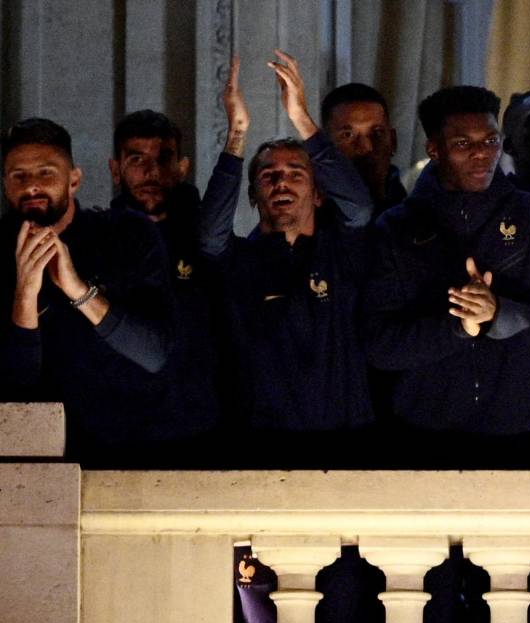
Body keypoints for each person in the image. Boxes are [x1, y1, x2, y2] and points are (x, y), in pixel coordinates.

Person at [364, 84, 530, 464]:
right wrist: (458, 327)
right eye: (463, 143)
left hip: (519, 433)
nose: (481, 154)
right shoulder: (394, 229)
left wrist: (498, 314)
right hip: (423, 434)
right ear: (434, 149)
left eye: (491, 140)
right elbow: (380, 346)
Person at [198, 52, 374, 464]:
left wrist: (302, 118)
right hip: (261, 445)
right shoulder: (239, 259)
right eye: (268, 176)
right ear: (254, 195)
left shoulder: (341, 248)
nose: (282, 182)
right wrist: (237, 135)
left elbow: (360, 209)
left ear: (317, 192)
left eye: (297, 173)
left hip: (348, 441)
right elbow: (208, 235)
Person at [0, 117, 176, 463]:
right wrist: (25, 295)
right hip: (31, 456)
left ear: (74, 180)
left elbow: (154, 352)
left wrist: (77, 289)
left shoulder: (126, 234)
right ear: (6, 184)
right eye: (19, 176)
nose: (32, 186)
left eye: (46, 173)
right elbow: (15, 386)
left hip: (128, 449)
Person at [110, 109, 222, 457]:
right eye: (136, 158)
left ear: (183, 167)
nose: (151, 171)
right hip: (120, 428)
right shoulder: (100, 241)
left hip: (203, 428)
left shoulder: (206, 241)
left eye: (163, 158)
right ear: (115, 169)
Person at [321, 82, 406, 216]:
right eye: (347, 135)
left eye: (377, 133)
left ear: (393, 141)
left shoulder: (417, 214)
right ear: (325, 145)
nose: (366, 147)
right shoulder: (307, 217)